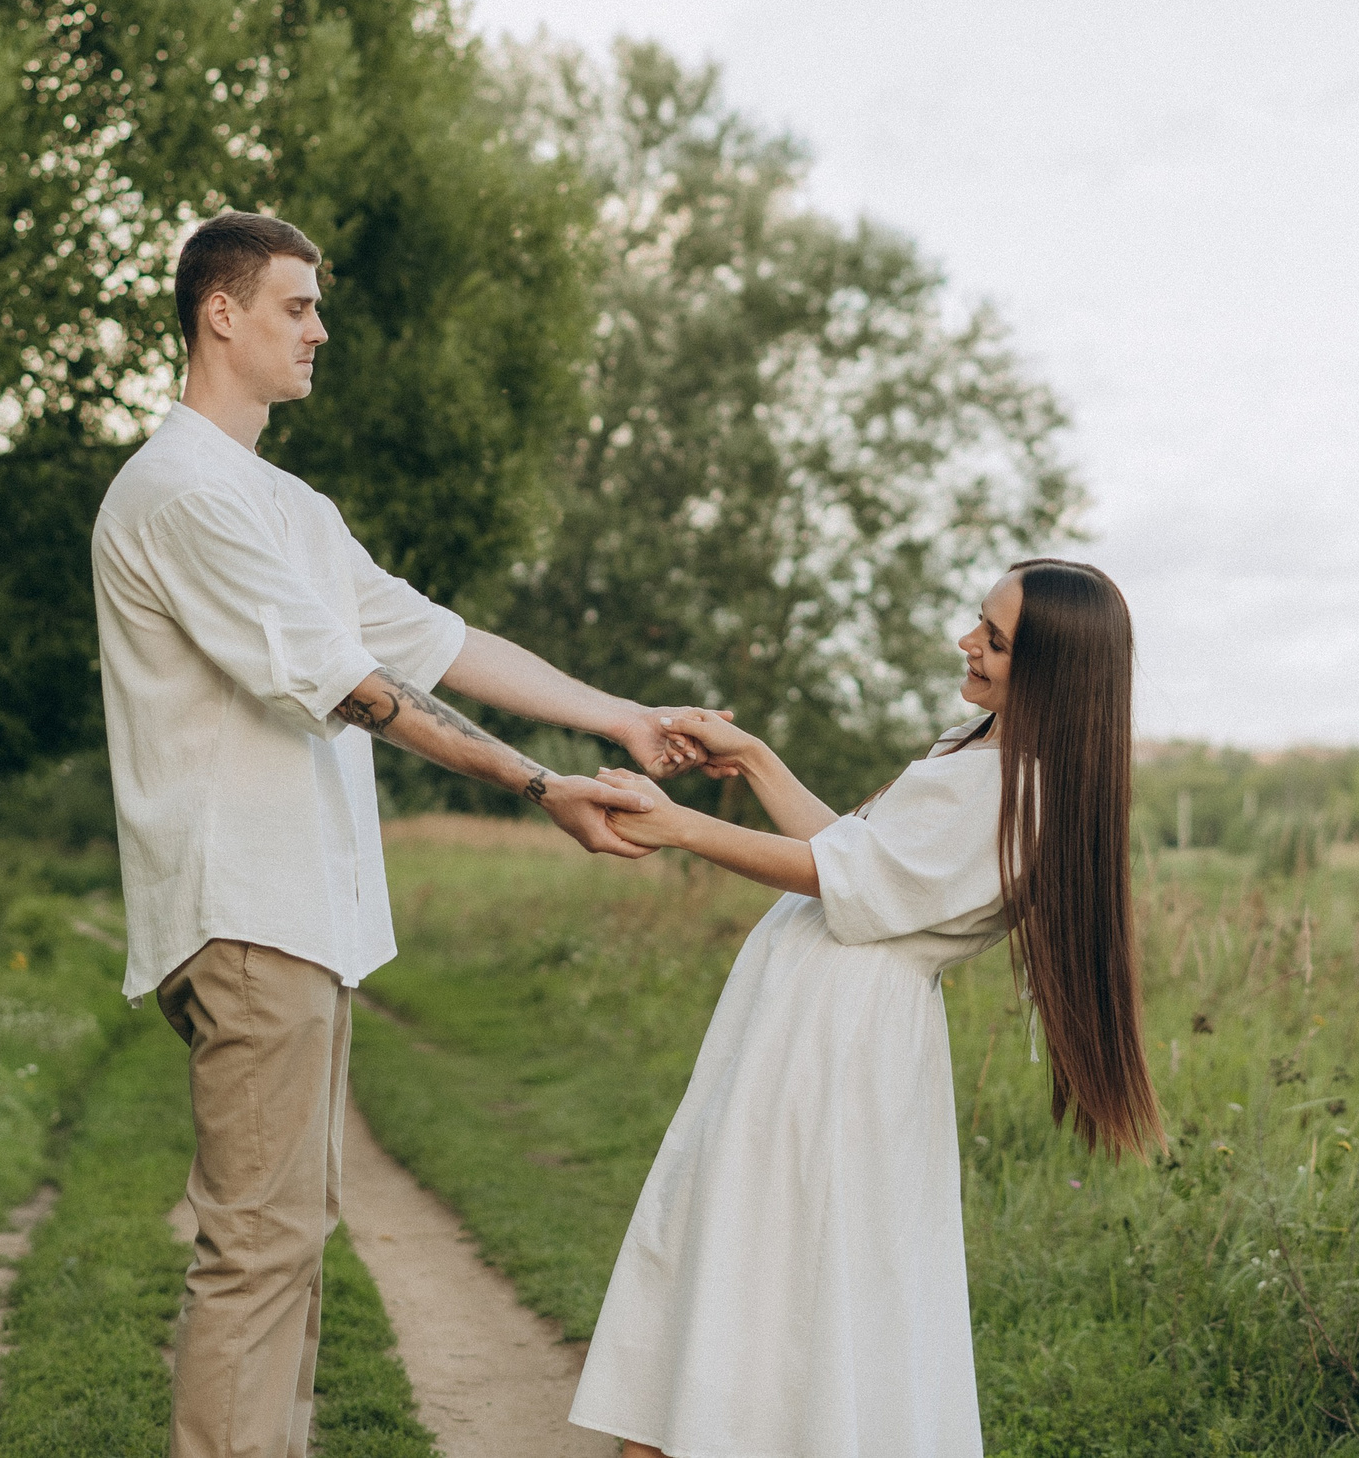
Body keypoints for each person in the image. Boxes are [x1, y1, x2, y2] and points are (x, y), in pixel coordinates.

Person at [92, 209, 705, 1458]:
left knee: (292, 1235)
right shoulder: (178, 493)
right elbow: (353, 687)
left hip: (301, 916)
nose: (321, 328)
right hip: (245, 909)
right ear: (221, 312)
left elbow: (437, 639)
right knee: (258, 1243)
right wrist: (543, 788)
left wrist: (623, 717)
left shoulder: (282, 503)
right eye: (296, 306)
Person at [566, 559, 1165, 1458]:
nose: (968, 644)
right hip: (814, 1031)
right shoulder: (977, 753)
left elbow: (833, 873)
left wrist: (680, 826)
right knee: (743, 1251)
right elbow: (854, 846)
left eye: (995, 641)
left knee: (763, 1260)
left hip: (835, 1049)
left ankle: (703, 1434)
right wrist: (756, 759)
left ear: (1053, 670)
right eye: (980, 622)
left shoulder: (1017, 789)